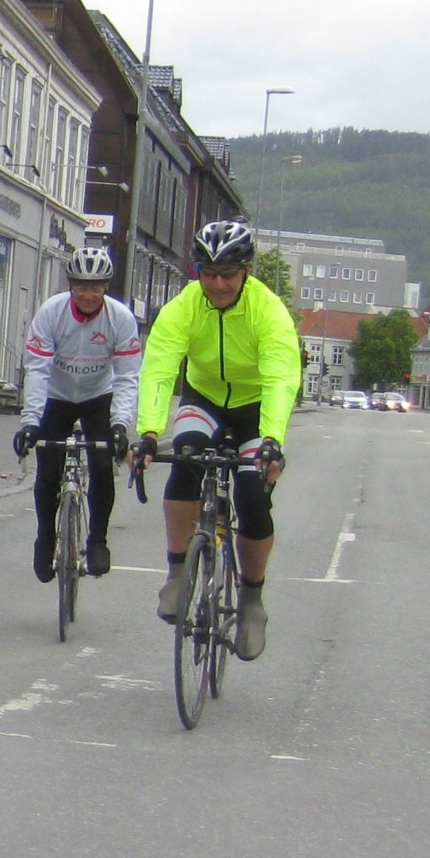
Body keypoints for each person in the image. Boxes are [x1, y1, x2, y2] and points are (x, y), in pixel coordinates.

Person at [132, 219, 301, 660]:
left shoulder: (268, 310)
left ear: (246, 271)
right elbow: (160, 367)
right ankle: (176, 573)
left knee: (250, 492)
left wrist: (271, 440)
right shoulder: (185, 306)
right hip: (204, 398)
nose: (218, 283)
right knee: (186, 456)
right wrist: (149, 431)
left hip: (253, 408)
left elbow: (282, 376)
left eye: (228, 274)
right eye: (208, 274)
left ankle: (251, 599)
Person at [12, 245, 142, 582]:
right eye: (82, 286)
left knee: (101, 465)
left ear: (105, 288)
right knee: (48, 471)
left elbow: (128, 376)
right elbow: (37, 370)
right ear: (71, 285)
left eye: (96, 288)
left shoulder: (121, 318)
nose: (88, 294)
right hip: (55, 395)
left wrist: (120, 424)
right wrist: (30, 422)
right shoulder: (51, 313)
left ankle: (97, 539)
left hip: (98, 395)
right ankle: (45, 537)